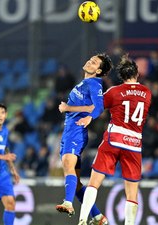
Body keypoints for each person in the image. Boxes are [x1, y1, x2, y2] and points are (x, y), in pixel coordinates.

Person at [77, 54, 152, 225]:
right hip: (134, 144)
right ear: (137, 74)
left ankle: (82, 220)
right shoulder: (147, 93)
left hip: (114, 139)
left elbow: (97, 105)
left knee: (94, 182)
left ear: (121, 76)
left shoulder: (115, 92)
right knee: (132, 193)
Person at [56, 53, 113, 225]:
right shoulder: (84, 83)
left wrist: (74, 110)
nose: (90, 61)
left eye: (95, 62)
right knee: (76, 182)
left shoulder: (94, 83)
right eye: (91, 59)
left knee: (68, 163)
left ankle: (68, 203)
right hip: (69, 131)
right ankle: (98, 217)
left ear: (98, 70)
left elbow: (99, 106)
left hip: (77, 131)